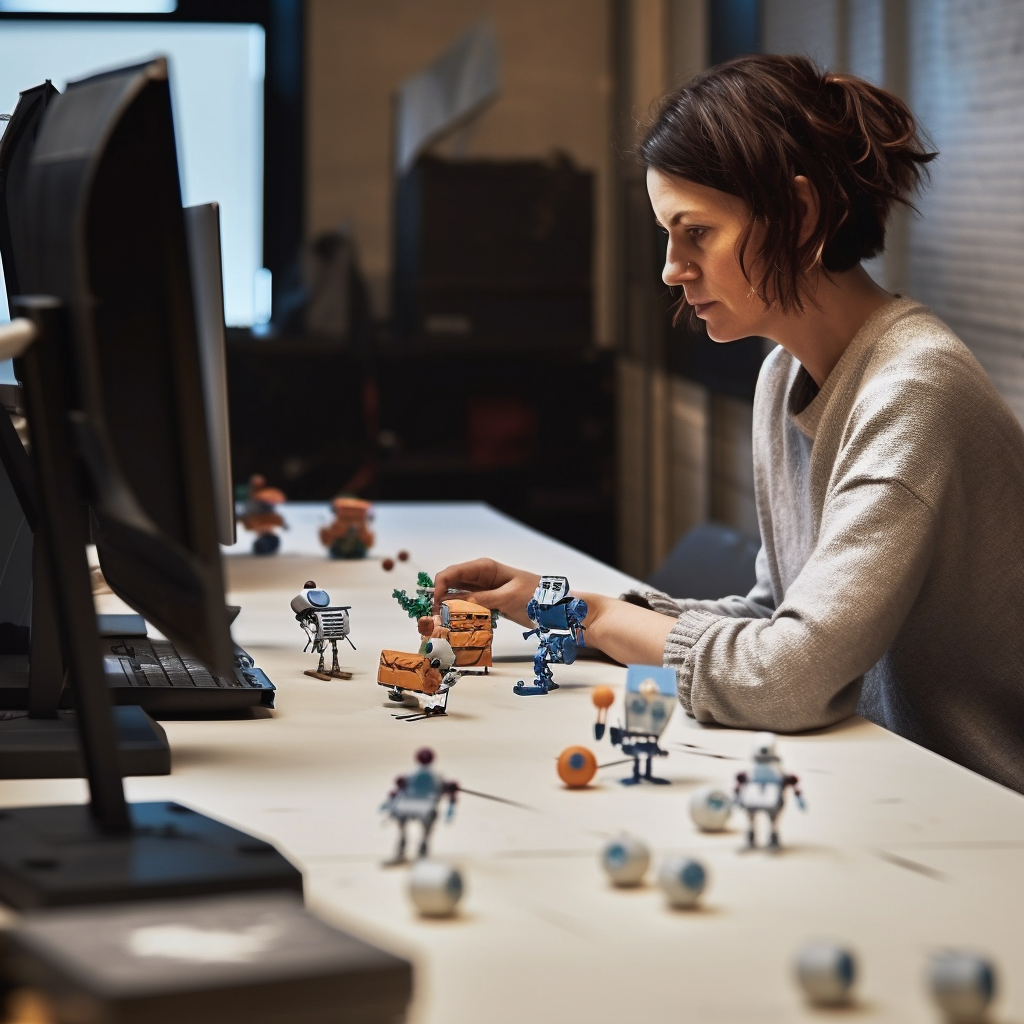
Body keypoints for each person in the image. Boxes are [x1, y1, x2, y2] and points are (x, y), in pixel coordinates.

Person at [434, 55, 1024, 793]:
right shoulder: (783, 374)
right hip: (882, 783)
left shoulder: (915, 390)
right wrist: (550, 606)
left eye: (697, 232)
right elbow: (776, 615)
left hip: (982, 818)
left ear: (801, 216)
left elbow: (787, 676)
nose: (671, 269)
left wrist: (588, 615)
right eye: (666, 235)